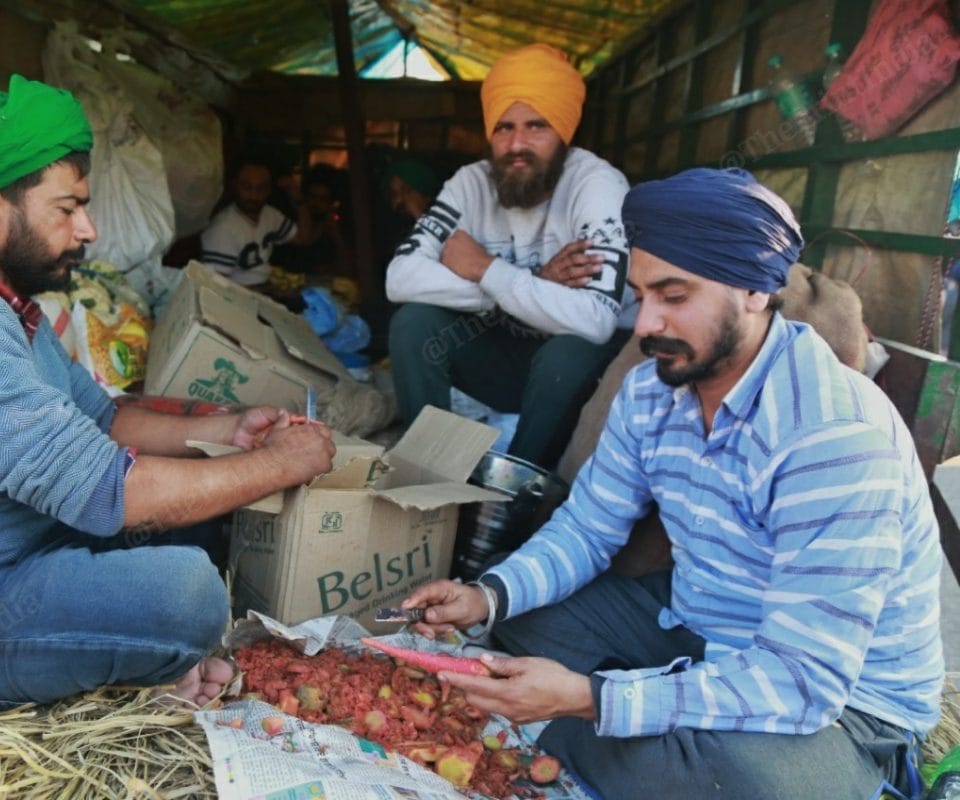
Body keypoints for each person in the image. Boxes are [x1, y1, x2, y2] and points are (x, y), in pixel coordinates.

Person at [0, 76, 336, 714]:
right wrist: (280, 463)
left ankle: (133, 659)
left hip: (2, 566)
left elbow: (105, 419)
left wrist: (231, 433)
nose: (89, 229)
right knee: (186, 594)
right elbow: (113, 491)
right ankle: (140, 660)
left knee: (211, 505)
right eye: (67, 208)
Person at [403, 168, 943, 799]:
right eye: (641, 294)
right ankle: (642, 728)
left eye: (674, 296)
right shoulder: (653, 392)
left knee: (747, 783)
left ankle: (620, 732)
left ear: (753, 290)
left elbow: (802, 680)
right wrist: (485, 597)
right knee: (523, 621)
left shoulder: (831, 434)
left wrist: (589, 699)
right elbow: (587, 529)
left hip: (841, 701)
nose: (644, 324)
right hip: (695, 623)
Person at [386, 43, 635, 468]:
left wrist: (485, 267)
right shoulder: (470, 184)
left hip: (579, 376)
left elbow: (594, 320)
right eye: (503, 128)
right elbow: (400, 278)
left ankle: (516, 493)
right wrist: (527, 281)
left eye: (536, 126)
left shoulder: (597, 185)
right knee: (415, 323)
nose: (517, 144)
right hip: (508, 354)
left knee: (567, 351)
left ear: (564, 132)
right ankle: (430, 474)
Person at [200, 154, 298, 287]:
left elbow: (301, 238)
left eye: (261, 188)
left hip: (266, 290)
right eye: (247, 187)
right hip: (239, 301)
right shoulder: (222, 228)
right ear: (235, 186)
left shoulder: (269, 214)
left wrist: (299, 199)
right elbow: (216, 287)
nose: (254, 195)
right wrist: (265, 292)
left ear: (269, 189)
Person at [271, 163, 353, 277]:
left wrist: (336, 235)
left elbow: (345, 270)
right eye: (312, 196)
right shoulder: (287, 221)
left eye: (323, 199)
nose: (316, 204)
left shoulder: (331, 230)